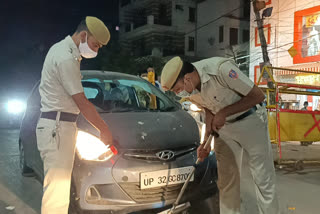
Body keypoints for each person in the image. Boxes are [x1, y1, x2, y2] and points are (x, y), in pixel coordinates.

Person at [161, 56, 279, 214]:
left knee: (263, 178)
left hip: (251, 122)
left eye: (177, 89)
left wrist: (224, 112)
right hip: (224, 129)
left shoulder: (220, 70)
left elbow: (258, 96)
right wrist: (205, 143)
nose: (179, 94)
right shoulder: (190, 89)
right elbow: (208, 109)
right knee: (227, 181)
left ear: (187, 79)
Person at [36, 16, 113, 214]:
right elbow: (82, 102)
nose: (95, 51)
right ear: (83, 35)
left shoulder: (65, 52)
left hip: (60, 126)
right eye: (95, 45)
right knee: (57, 193)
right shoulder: (65, 57)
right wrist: (104, 129)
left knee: (59, 189)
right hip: (57, 127)